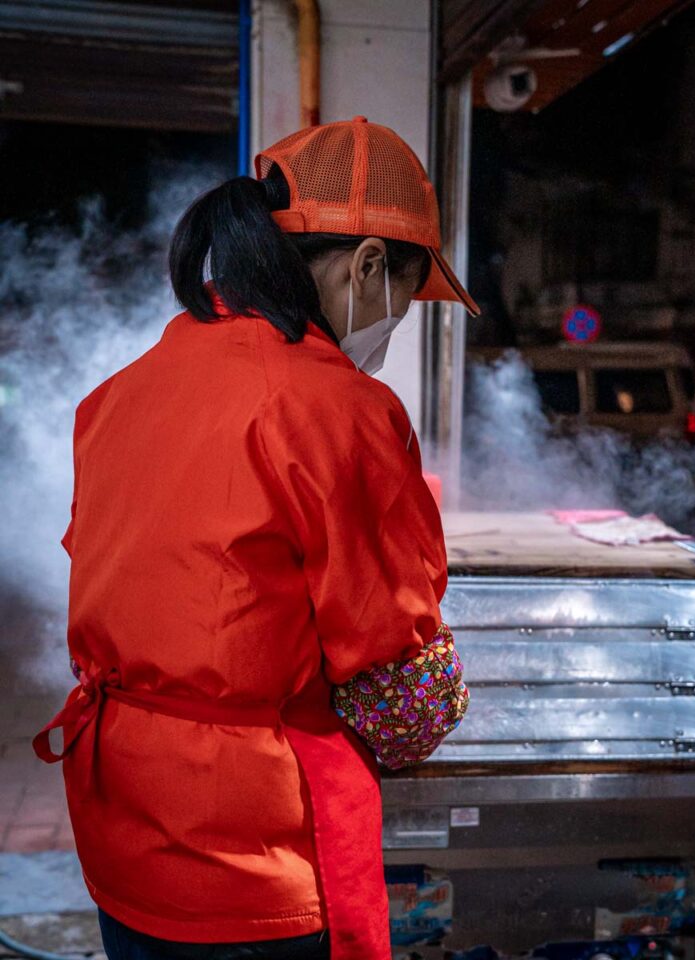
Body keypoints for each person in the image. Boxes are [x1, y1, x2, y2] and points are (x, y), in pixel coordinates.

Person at [32, 116, 479, 960]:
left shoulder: (123, 392)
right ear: (370, 265)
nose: (395, 327)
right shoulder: (342, 411)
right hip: (258, 859)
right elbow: (402, 692)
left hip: (123, 825)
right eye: (406, 301)